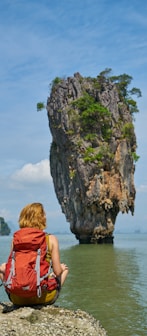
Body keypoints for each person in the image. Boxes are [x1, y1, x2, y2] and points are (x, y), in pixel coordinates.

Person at [0, 203, 69, 306]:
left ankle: (18, 294)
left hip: (17, 299)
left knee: (2, 268)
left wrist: (3, 268)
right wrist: (62, 268)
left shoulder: (15, 240)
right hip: (41, 296)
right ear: (42, 218)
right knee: (64, 269)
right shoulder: (50, 239)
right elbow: (57, 272)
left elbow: (11, 268)